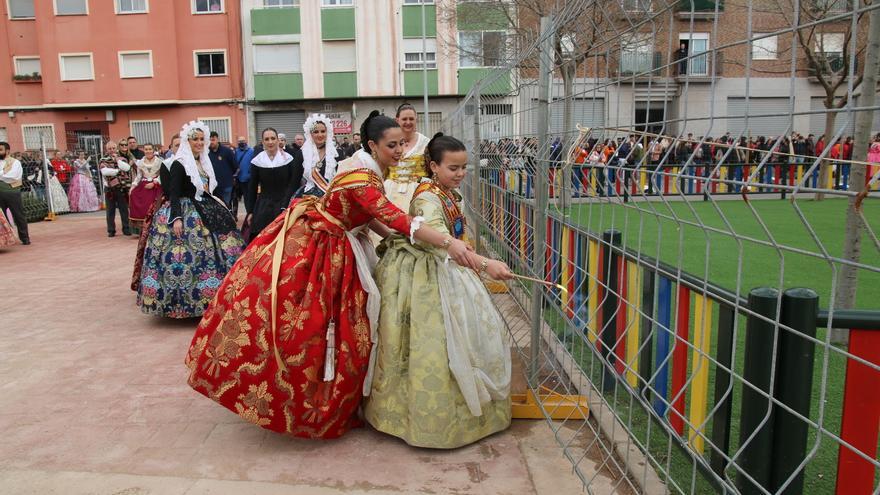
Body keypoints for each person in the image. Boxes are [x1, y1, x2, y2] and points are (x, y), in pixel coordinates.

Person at [185, 110, 495, 440]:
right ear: (373, 146)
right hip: (325, 247)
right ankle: (305, 400)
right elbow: (394, 218)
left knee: (336, 325)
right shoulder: (363, 178)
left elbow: (371, 214)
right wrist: (452, 245)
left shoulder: (367, 172)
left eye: (402, 145)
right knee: (321, 325)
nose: (400, 152)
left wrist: (392, 238)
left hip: (336, 239)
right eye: (392, 146)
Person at [365, 133, 512, 449]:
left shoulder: (444, 192)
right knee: (431, 344)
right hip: (426, 274)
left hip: (443, 266)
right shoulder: (429, 199)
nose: (460, 174)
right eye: (453, 168)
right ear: (433, 166)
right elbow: (443, 247)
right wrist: (486, 265)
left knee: (454, 342)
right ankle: (426, 419)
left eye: (463, 168)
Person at [135, 122, 244, 318]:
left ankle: (216, 298)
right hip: (185, 211)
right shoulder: (180, 162)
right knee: (182, 259)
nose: (200, 143)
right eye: (196, 139)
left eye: (202, 139)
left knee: (220, 250)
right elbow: (174, 193)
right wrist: (176, 218)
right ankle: (184, 304)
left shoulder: (203, 162)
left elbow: (208, 189)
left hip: (204, 206)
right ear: (188, 141)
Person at [245, 128, 303, 242]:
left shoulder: (289, 159)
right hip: (264, 205)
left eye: (273, 138)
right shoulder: (257, 161)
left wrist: (290, 204)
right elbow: (252, 187)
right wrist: (250, 211)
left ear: (278, 140)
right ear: (262, 142)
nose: (270, 142)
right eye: (267, 139)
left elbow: (294, 184)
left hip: (284, 204)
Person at [298, 113, 338, 197]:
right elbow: (294, 181)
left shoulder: (336, 153)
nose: (320, 135)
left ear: (327, 132)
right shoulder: (301, 154)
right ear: (310, 134)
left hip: (331, 197)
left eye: (323, 131)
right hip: (309, 196)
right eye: (316, 132)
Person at [128, 143, 164, 234]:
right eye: (146, 149)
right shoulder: (140, 162)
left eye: (149, 149)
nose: (148, 151)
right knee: (138, 199)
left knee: (155, 206)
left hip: (155, 186)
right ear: (144, 150)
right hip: (144, 186)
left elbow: (162, 176)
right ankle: (144, 229)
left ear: (153, 150)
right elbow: (138, 176)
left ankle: (156, 228)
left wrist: (154, 182)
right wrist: (133, 186)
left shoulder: (159, 161)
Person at [100, 141, 132, 237]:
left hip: (121, 187)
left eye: (113, 148)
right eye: (110, 148)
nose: (112, 150)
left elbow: (126, 168)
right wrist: (118, 171)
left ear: (116, 148)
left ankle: (126, 229)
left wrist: (117, 160)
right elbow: (105, 171)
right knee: (110, 210)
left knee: (124, 209)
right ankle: (111, 230)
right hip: (109, 188)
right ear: (106, 149)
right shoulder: (103, 159)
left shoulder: (122, 158)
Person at [0, 141, 30, 245]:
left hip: (12, 193)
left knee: (18, 215)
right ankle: (6, 239)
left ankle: (24, 238)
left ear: (7, 151)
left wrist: (2, 175)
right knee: (1, 218)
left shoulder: (15, 162)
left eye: (0, 150)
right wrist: (3, 174)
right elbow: (5, 176)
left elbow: (13, 176)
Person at [208, 131, 237, 208]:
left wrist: (229, 176)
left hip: (226, 185)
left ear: (217, 139)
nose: (211, 142)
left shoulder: (227, 151)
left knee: (225, 206)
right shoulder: (206, 153)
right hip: (213, 187)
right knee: (215, 207)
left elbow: (235, 166)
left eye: (213, 139)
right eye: (209, 140)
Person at [233, 136, 254, 216]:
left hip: (248, 179)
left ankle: (249, 213)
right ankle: (235, 215)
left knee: (248, 198)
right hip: (238, 179)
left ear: (246, 141)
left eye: (242, 141)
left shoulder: (251, 151)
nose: (241, 143)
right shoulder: (236, 151)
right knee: (237, 198)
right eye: (239, 141)